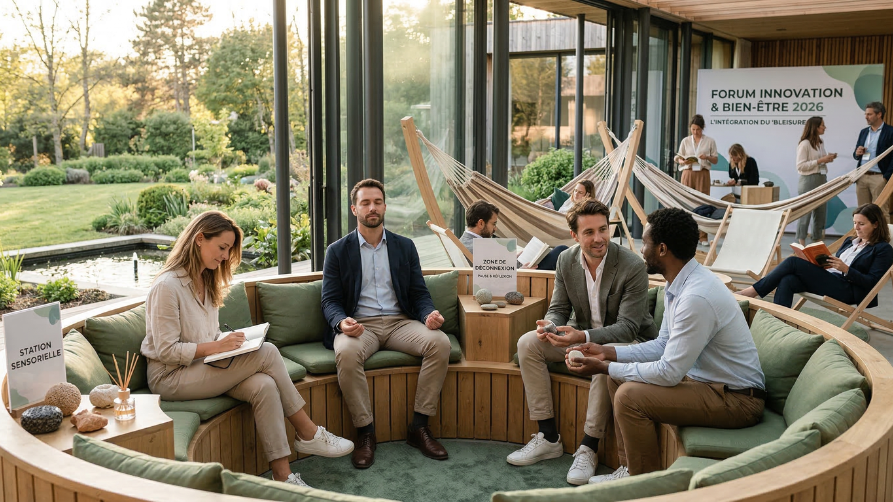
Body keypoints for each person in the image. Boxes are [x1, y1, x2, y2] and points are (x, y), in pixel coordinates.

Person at [141, 211, 353, 488]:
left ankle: (283, 478)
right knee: (267, 353)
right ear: (199, 239)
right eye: (222, 247)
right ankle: (307, 431)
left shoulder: (206, 280)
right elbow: (167, 351)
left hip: (202, 368)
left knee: (263, 384)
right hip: (170, 377)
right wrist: (217, 346)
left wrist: (228, 343)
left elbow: (207, 334)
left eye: (229, 250)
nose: (226, 257)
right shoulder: (167, 287)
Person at [565, 207, 765, 481]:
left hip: (737, 399)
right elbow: (663, 344)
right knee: (618, 378)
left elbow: (669, 372)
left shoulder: (696, 297)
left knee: (628, 396)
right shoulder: (680, 284)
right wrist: (608, 352)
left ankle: (643, 484)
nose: (641, 250)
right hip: (708, 384)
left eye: (645, 243)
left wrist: (603, 366)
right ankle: (629, 470)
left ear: (661, 249)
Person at [506, 199, 658, 485]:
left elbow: (627, 329)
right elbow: (559, 308)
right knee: (528, 343)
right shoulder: (566, 259)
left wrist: (584, 338)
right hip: (580, 334)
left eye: (603, 229)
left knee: (602, 360)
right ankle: (548, 436)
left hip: (628, 343)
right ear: (574, 236)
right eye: (589, 232)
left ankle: (589, 447)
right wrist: (551, 326)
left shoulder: (633, 266)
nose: (599, 238)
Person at [321, 179, 452, 469]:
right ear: (354, 208)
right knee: (346, 352)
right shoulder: (337, 251)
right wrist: (342, 323)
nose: (372, 207)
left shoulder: (405, 247)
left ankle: (419, 427)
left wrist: (429, 314)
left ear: (384, 206)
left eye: (377, 202)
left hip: (400, 324)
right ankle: (365, 432)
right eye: (365, 203)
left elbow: (419, 293)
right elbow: (329, 300)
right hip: (360, 326)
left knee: (440, 342)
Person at [739, 203, 893, 309]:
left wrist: (847, 269)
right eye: (854, 223)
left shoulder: (883, 249)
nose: (856, 228)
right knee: (788, 280)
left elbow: (872, 282)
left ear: (876, 224)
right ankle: (779, 323)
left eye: (861, 224)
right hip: (830, 279)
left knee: (793, 261)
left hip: (849, 290)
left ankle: (753, 291)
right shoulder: (849, 241)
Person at [460, 199, 568, 271]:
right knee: (561, 251)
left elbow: (493, 266)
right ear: (481, 223)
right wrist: (520, 272)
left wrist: (511, 257)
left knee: (559, 252)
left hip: (517, 268)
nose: (495, 228)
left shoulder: (464, 241)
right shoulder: (479, 246)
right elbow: (491, 277)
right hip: (522, 277)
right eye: (493, 224)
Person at [674, 115, 717, 246]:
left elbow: (715, 160)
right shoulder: (686, 141)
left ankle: (702, 236)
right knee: (686, 203)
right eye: (693, 129)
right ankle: (686, 235)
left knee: (702, 203)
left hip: (702, 173)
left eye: (698, 129)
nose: (695, 132)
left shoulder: (709, 141)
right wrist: (682, 160)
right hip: (688, 172)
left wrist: (707, 157)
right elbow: (677, 157)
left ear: (702, 128)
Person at [796, 116, 837, 246]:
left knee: (821, 211)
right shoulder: (805, 144)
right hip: (808, 180)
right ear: (815, 127)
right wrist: (820, 161)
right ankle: (801, 241)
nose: (825, 127)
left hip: (821, 178)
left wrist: (827, 158)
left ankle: (817, 239)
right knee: (805, 212)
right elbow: (800, 166)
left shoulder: (820, 142)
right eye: (822, 125)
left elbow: (819, 160)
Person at [853, 102, 893, 215]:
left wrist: (885, 178)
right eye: (866, 114)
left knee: (881, 212)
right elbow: (856, 154)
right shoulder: (864, 132)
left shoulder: (890, 132)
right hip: (862, 177)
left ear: (879, 114)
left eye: (869, 114)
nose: (866, 117)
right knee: (862, 213)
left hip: (879, 177)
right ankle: (864, 233)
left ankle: (885, 233)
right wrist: (857, 152)